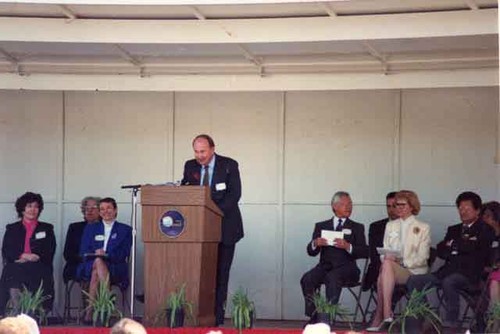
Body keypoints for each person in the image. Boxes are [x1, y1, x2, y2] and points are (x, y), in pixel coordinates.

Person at [407, 191, 494, 330]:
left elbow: (480, 252)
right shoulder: (453, 229)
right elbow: (441, 250)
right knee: (414, 280)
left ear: (477, 210)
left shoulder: (485, 229)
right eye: (460, 208)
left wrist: (455, 245)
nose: (463, 212)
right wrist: (463, 245)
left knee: (450, 281)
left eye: (467, 208)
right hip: (446, 271)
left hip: (470, 275)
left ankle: (451, 323)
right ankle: (425, 314)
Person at [181, 134, 244, 326]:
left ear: (212, 149)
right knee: (199, 273)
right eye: (196, 151)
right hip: (197, 230)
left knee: (220, 274)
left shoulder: (229, 165)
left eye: (203, 151)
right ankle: (198, 315)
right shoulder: (190, 166)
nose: (199, 156)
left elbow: (235, 195)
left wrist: (213, 214)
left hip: (225, 227)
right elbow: (187, 192)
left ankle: (216, 318)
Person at [300, 191, 368, 324]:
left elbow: (365, 251)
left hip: (348, 269)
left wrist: (348, 246)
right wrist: (315, 243)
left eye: (350, 204)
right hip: (325, 266)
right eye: (344, 204)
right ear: (334, 206)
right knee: (307, 279)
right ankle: (314, 315)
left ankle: (327, 319)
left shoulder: (357, 227)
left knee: (332, 277)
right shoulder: (321, 226)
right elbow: (311, 251)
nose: (348, 207)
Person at [367, 190, 431, 331]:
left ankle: (383, 314)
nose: (398, 208)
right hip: (391, 269)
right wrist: (388, 258)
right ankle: (386, 313)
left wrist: (401, 261)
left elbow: (423, 257)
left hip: (413, 271)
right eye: (396, 205)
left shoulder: (423, 227)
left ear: (412, 206)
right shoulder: (390, 225)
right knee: (386, 264)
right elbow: (384, 251)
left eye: (402, 204)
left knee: (384, 270)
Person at [0, 192, 56, 316]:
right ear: (22, 209)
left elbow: (50, 249)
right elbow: (7, 249)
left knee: (30, 269)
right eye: (29, 206)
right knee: (14, 270)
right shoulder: (12, 228)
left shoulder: (47, 228)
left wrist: (35, 256)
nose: (32, 209)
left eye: (36, 206)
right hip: (17, 264)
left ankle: (32, 310)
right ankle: (17, 308)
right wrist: (22, 256)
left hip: (38, 265)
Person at [77, 197, 132, 322]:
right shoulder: (91, 228)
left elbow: (124, 253)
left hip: (115, 266)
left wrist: (106, 254)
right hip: (90, 264)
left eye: (108, 208)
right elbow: (83, 251)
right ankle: (106, 305)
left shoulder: (125, 230)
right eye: (102, 209)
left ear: (115, 210)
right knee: (97, 262)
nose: (105, 211)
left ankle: (90, 311)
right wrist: (96, 254)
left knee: (97, 269)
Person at [363, 191, 398, 291]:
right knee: (386, 272)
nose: (391, 210)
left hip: (402, 268)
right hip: (380, 267)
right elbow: (373, 254)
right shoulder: (376, 227)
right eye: (388, 206)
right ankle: (388, 305)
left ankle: (386, 306)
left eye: (394, 206)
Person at [63, 196, 101, 283]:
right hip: (78, 263)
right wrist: (83, 258)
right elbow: (67, 253)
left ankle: (90, 296)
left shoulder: (106, 228)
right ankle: (95, 296)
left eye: (93, 208)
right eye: (86, 208)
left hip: (101, 264)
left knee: (95, 270)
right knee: (90, 271)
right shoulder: (75, 227)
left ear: (100, 210)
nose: (89, 211)